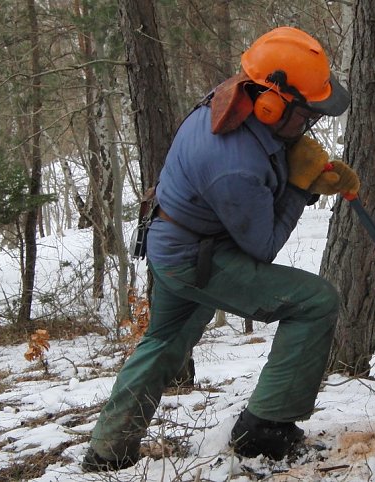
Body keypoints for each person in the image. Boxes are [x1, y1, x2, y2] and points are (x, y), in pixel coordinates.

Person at [82, 26, 360, 472]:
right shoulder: (233, 167)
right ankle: (265, 431)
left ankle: (108, 450)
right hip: (195, 257)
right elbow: (262, 246)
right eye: (306, 115)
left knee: (165, 342)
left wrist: (298, 166)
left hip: (176, 240)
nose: (309, 124)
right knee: (315, 302)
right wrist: (298, 186)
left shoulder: (236, 99)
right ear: (272, 104)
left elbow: (261, 169)